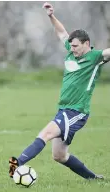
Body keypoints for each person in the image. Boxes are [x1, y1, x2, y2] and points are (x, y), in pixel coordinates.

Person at [9, 2, 110, 180]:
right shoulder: (71, 52)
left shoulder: (95, 58)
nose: (73, 49)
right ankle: (93, 178)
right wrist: (50, 16)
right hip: (63, 110)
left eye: (76, 46)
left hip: (77, 111)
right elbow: (62, 33)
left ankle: (16, 164)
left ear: (87, 43)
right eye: (71, 46)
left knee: (45, 134)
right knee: (59, 155)